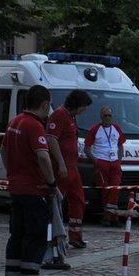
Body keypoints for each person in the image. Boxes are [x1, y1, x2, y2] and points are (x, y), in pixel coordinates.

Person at [0, 84, 60, 276]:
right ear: (45, 104)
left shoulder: (14, 122)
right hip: (35, 190)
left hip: (16, 189)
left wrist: (12, 173)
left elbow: (3, 150)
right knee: (35, 237)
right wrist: (52, 183)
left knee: (17, 236)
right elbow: (43, 156)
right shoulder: (34, 126)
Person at [47, 90, 92, 249]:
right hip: (63, 168)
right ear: (77, 104)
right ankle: (54, 238)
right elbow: (51, 138)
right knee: (58, 202)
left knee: (78, 200)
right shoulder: (59, 115)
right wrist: (60, 163)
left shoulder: (71, 116)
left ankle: (75, 235)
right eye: (83, 107)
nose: (84, 110)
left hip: (72, 166)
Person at [84, 105, 126, 226]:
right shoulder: (95, 129)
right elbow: (87, 148)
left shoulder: (116, 128)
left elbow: (120, 145)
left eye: (109, 115)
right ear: (101, 116)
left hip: (114, 163)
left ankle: (108, 216)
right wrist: (96, 161)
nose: (107, 118)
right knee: (105, 190)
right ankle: (113, 218)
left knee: (115, 189)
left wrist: (119, 160)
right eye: (105, 115)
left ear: (112, 117)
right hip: (102, 162)